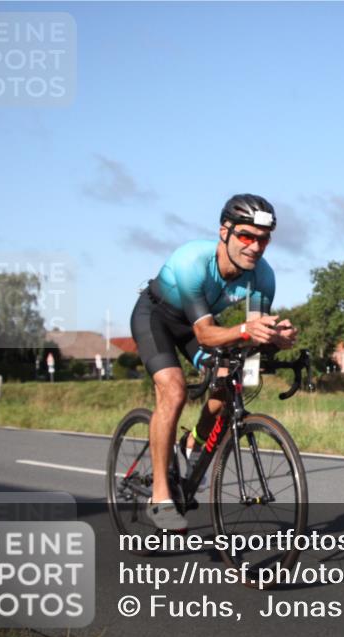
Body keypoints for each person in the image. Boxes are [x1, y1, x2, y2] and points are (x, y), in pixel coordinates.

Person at [129, 194, 298, 530]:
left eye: (263, 239)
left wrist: (275, 338)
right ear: (225, 232)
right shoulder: (193, 260)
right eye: (246, 236)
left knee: (230, 379)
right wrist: (246, 330)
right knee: (174, 391)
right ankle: (160, 497)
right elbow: (206, 334)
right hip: (156, 318)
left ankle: (192, 443)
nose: (255, 247)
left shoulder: (263, 277)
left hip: (199, 325)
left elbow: (252, 336)